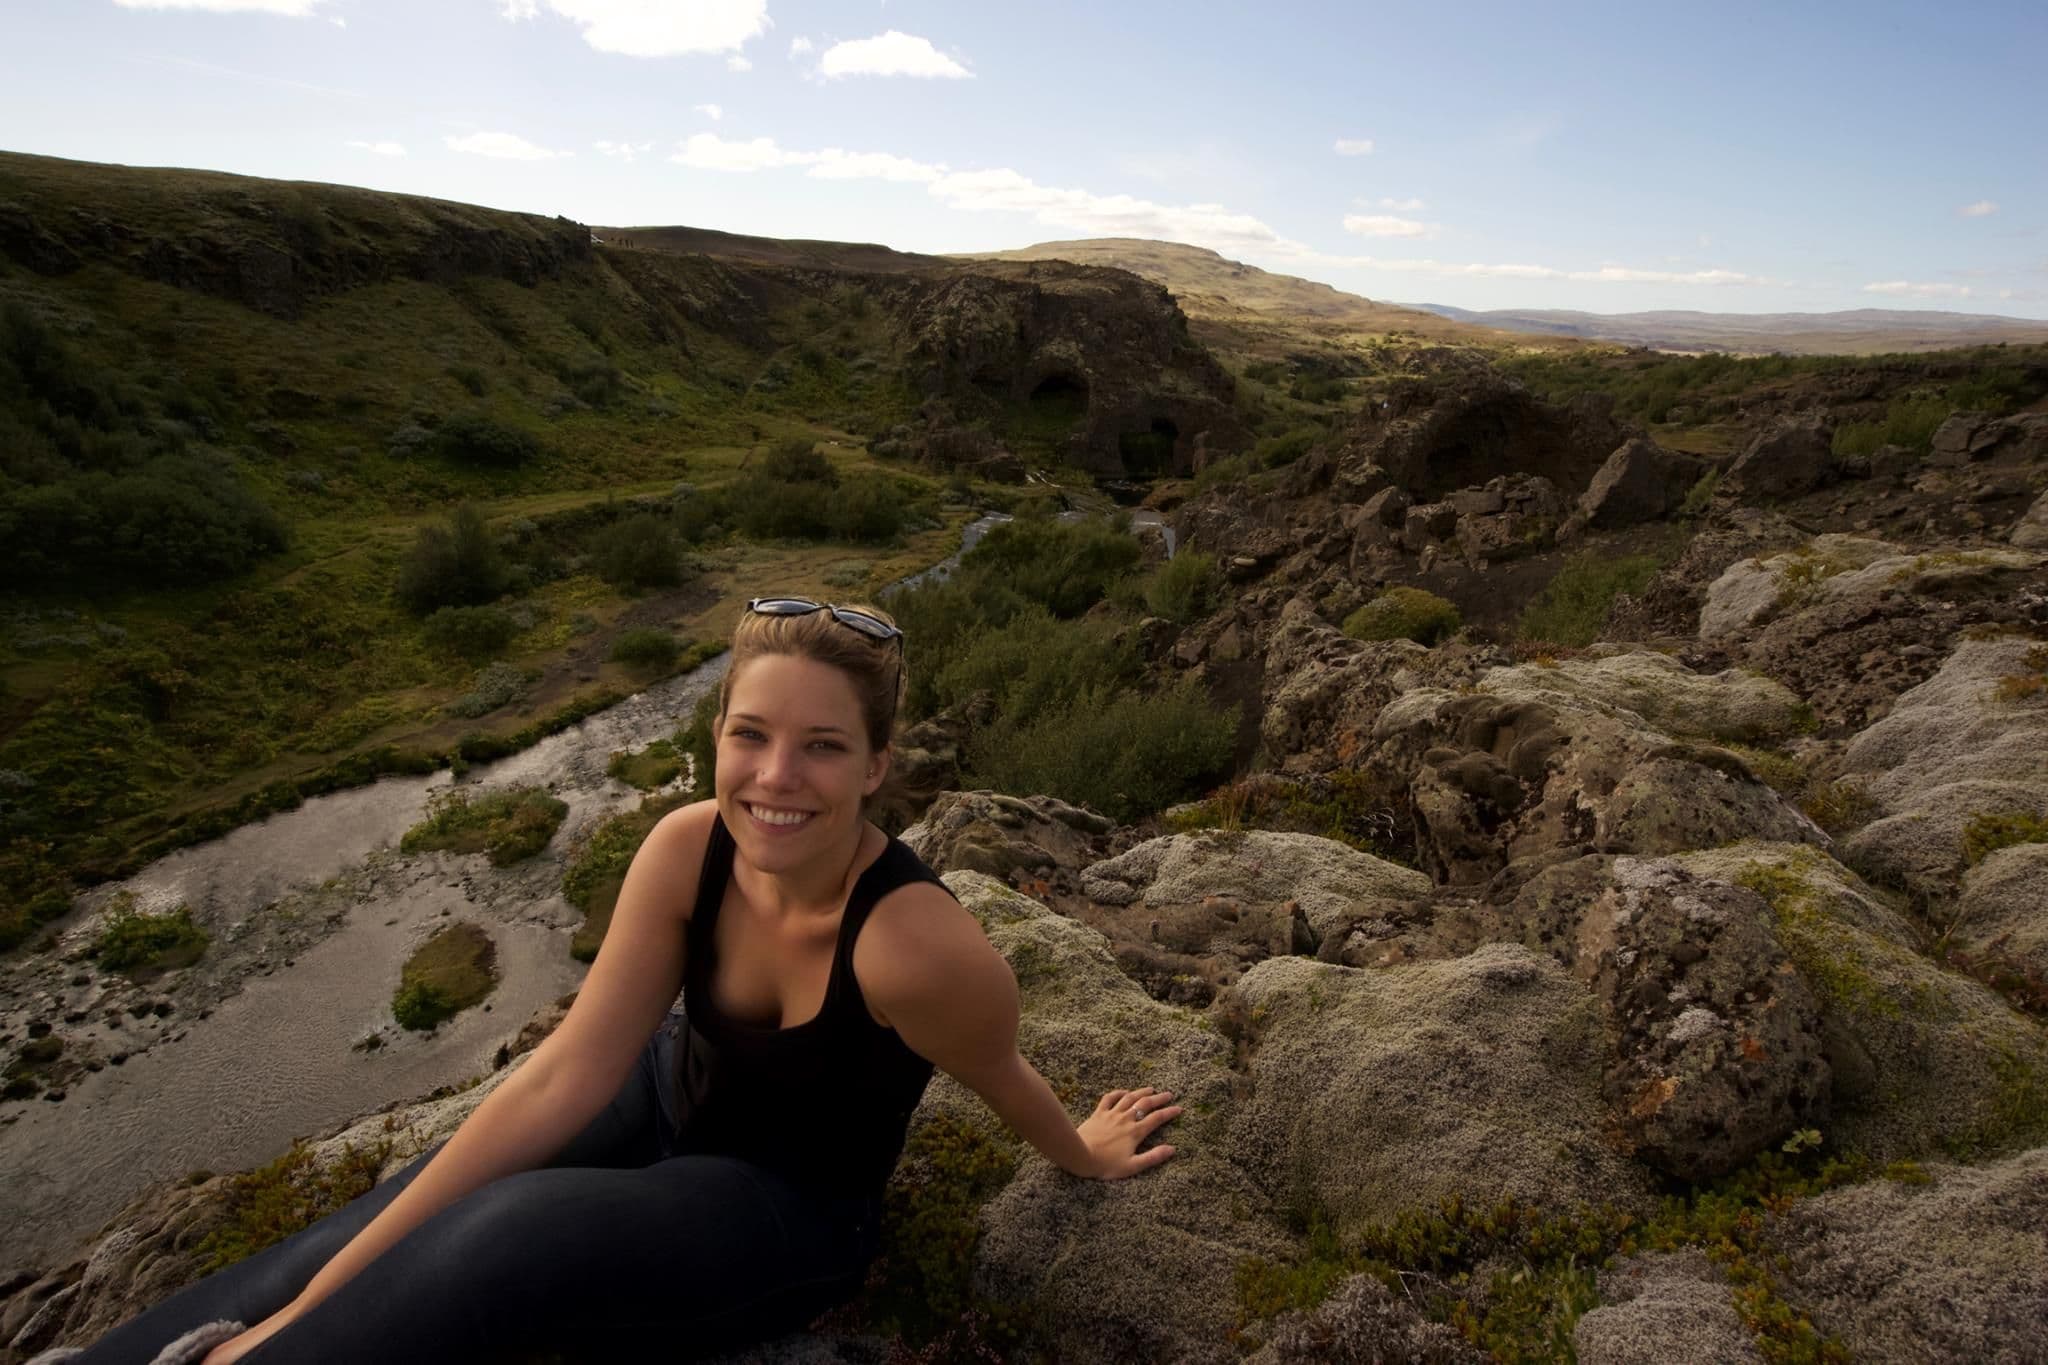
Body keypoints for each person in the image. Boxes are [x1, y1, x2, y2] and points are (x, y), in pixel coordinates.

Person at [59, 597, 1182, 1365]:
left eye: (824, 748)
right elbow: (565, 1077)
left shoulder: (912, 945)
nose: (776, 779)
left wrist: (1079, 1151)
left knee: (508, 1232)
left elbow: (996, 1071)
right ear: (717, 738)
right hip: (658, 1098)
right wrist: (307, 1305)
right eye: (751, 736)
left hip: (781, 1211)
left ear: (879, 765)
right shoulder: (685, 845)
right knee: (404, 1200)